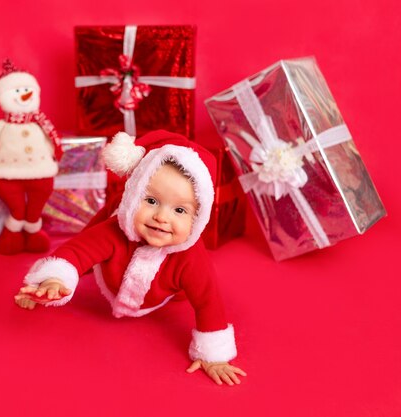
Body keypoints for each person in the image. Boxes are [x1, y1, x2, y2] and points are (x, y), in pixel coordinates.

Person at [14, 130, 246, 386]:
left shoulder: (190, 257)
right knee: (80, 260)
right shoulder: (114, 231)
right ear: (134, 196)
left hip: (168, 293)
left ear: (197, 219)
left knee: (189, 289)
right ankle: (42, 287)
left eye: (180, 210)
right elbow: (77, 252)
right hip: (112, 269)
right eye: (151, 200)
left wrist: (214, 355)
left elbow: (208, 301)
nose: (161, 217)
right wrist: (54, 281)